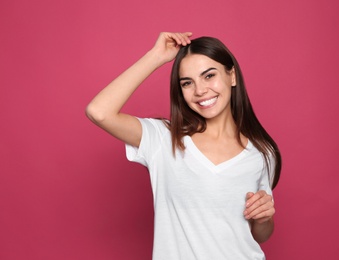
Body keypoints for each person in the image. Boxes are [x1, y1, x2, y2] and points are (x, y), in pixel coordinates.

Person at [86, 32, 281, 260]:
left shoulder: (262, 152)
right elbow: (98, 112)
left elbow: (260, 235)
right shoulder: (164, 139)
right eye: (187, 83)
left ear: (232, 76)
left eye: (209, 76)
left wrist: (264, 219)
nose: (200, 90)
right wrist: (155, 56)